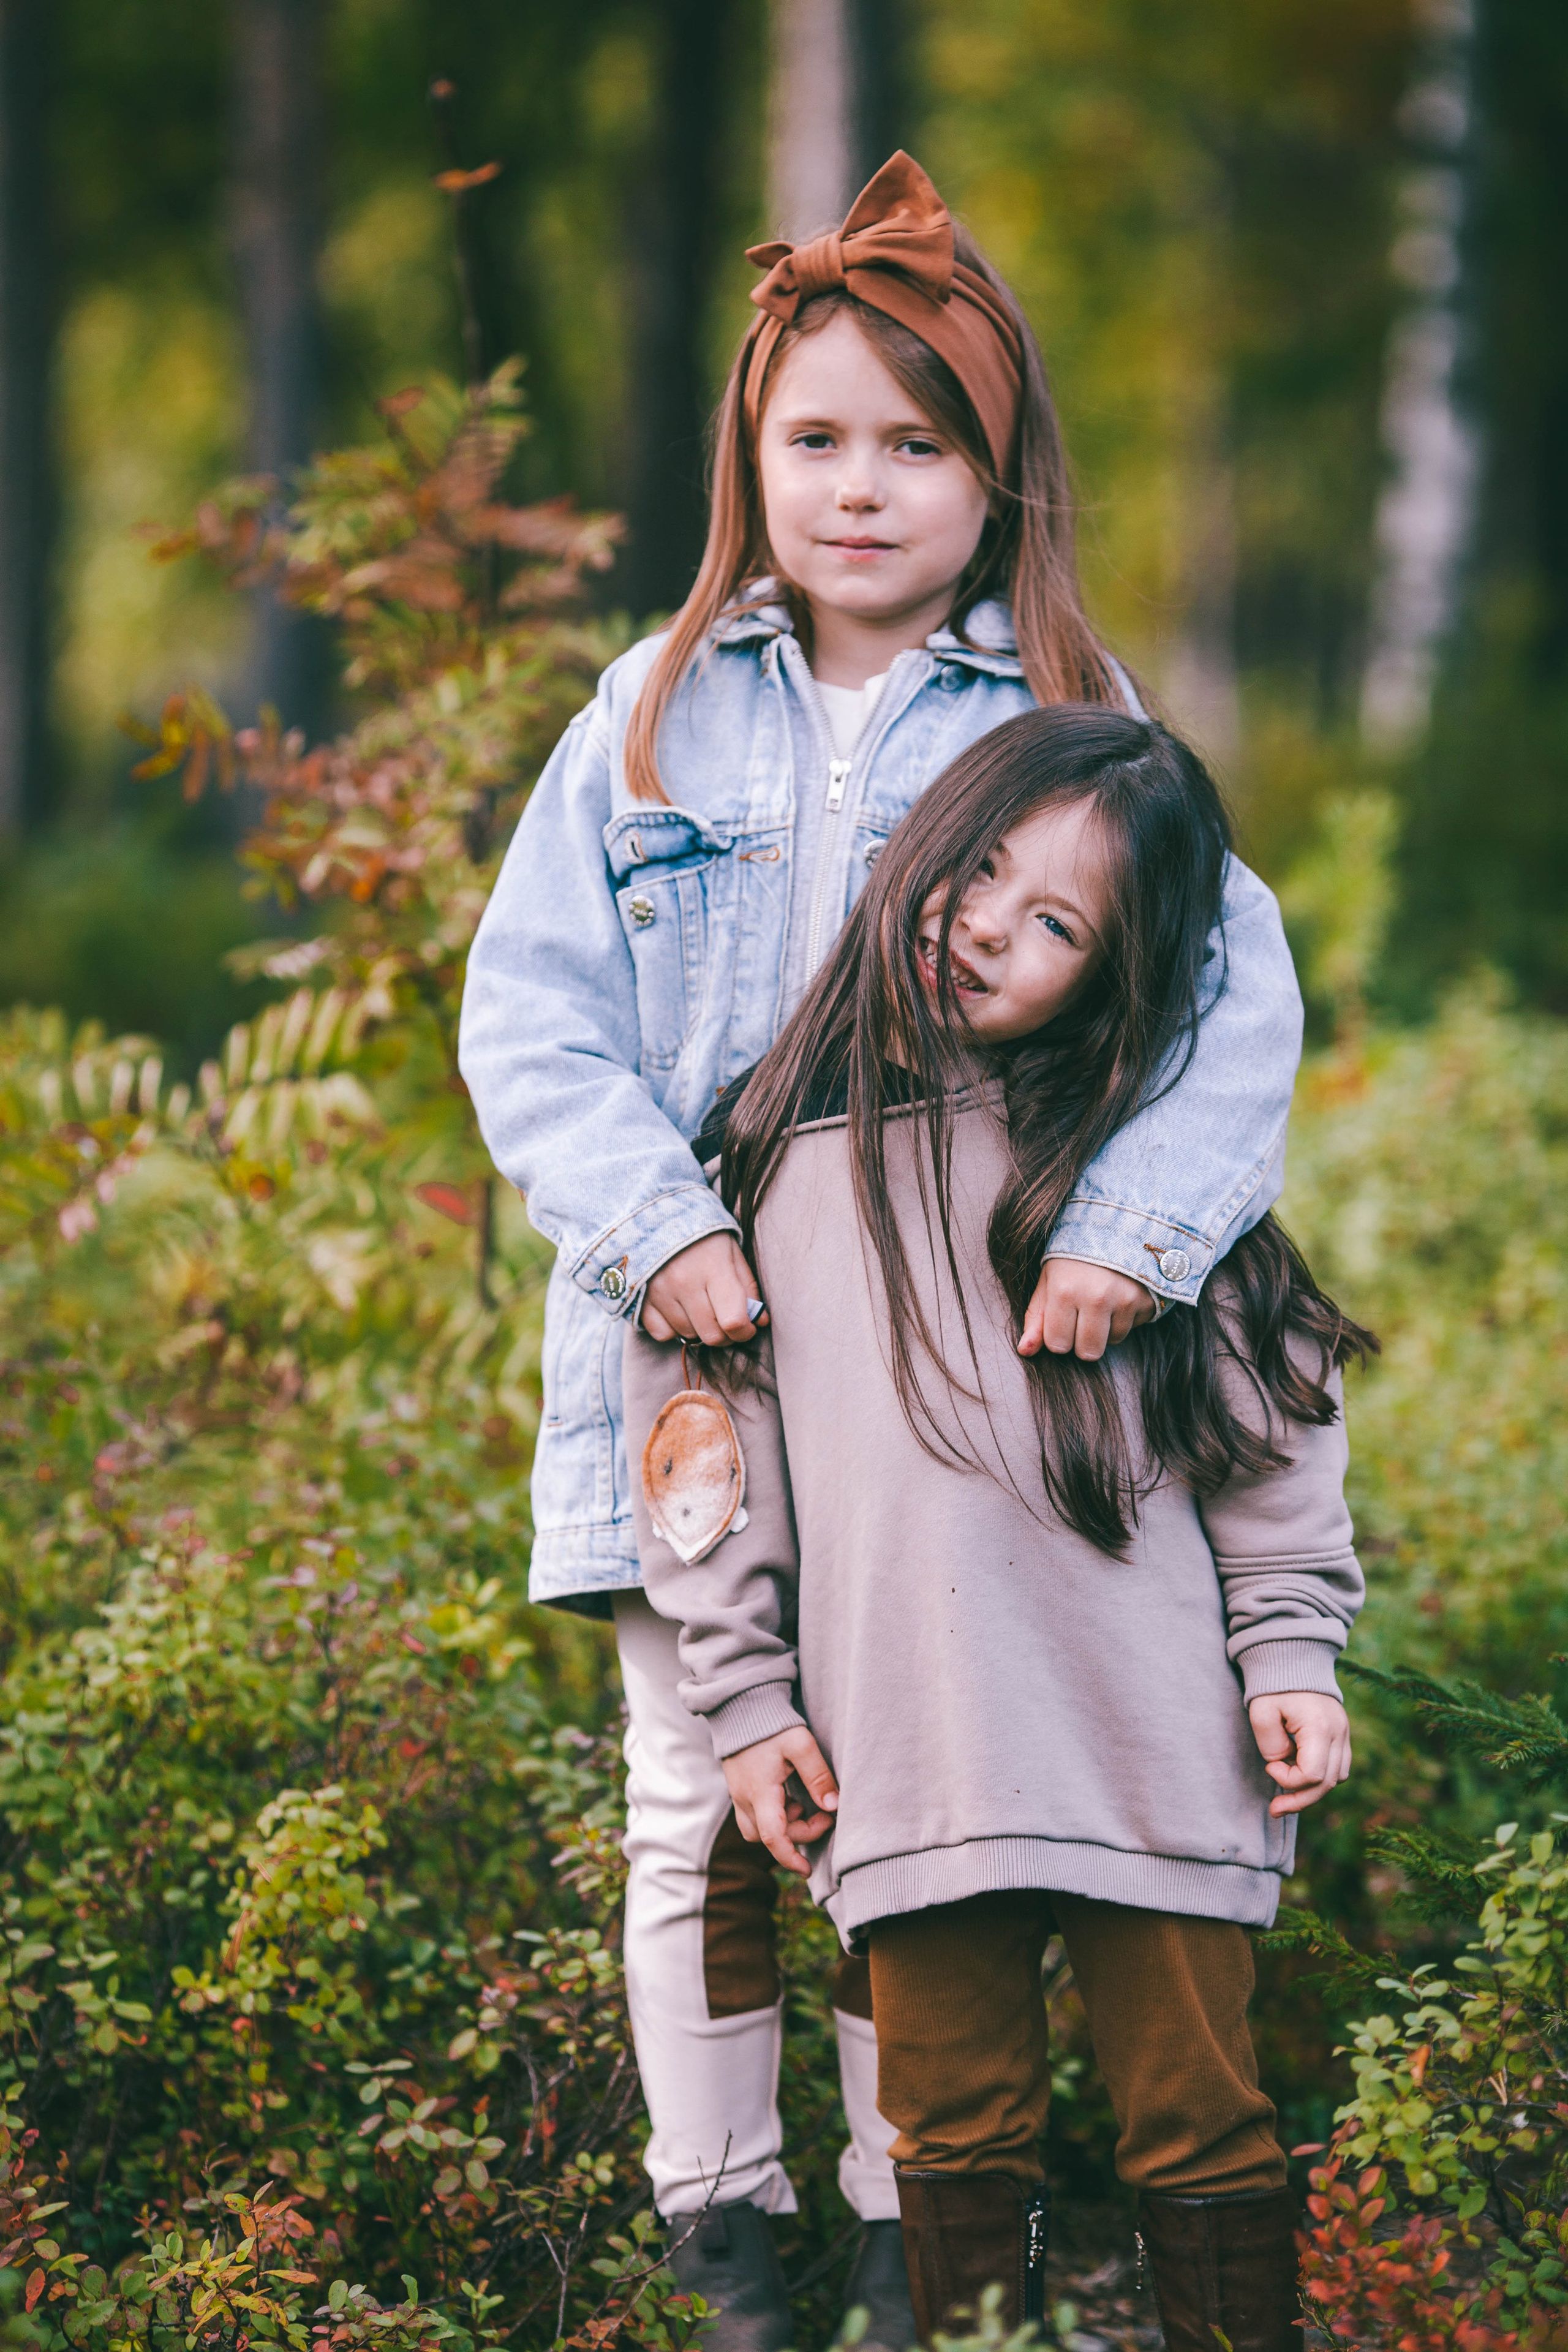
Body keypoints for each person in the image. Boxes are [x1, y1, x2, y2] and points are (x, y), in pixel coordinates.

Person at [458, 153, 1305, 2352]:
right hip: (703, 1374)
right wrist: (657, 1234)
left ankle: (896, 2228)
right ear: (752, 452)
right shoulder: (649, 714)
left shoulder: (1065, 704)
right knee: (707, 1805)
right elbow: (532, 1011)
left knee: (921, 1799)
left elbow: (1234, 999)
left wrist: (1128, 1232)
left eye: (918, 445)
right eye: (817, 439)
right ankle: (726, 2232)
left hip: (957, 1379)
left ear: (998, 471)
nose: (861, 488)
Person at [624, 704, 1371, 2352]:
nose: (986, 927)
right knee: (951, 2138)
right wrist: (747, 1700)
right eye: (976, 872)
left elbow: (1269, 1442)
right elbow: (704, 1469)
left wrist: (1289, 1649)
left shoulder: (1153, 1183)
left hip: (1158, 1739)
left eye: (1061, 924)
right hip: (912, 1746)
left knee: (1200, 2121)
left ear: (1125, 975)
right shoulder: (773, 1153)